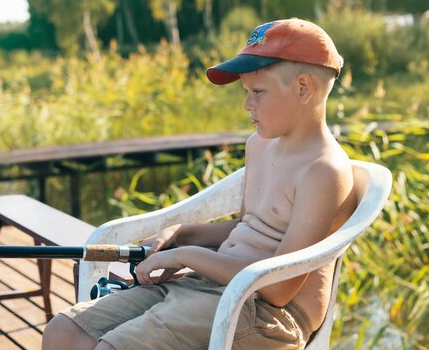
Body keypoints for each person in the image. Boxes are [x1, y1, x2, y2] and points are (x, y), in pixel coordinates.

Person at [42, 18, 357, 350]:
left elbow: (278, 289)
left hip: (268, 314)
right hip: (209, 285)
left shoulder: (324, 171)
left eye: (258, 92)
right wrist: (182, 234)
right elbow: (250, 227)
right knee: (63, 332)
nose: (246, 105)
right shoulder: (259, 145)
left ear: (303, 88)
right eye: (246, 92)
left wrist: (186, 256)